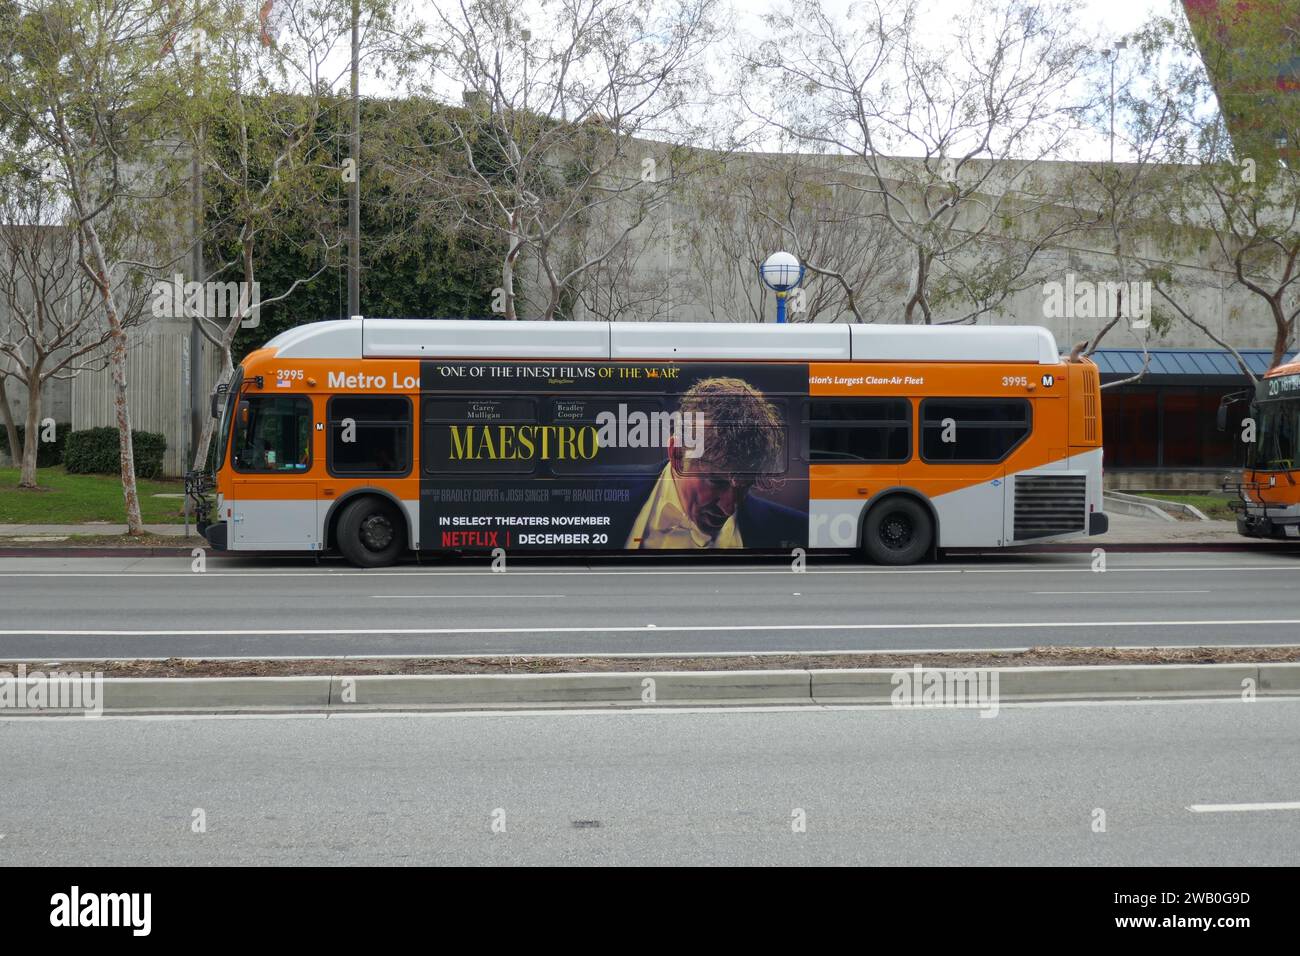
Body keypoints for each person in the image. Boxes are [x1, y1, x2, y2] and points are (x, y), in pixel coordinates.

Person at [608, 376, 806, 550]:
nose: (729, 508)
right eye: (716, 481)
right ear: (677, 455)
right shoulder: (594, 492)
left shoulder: (798, 528)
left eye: (745, 485)